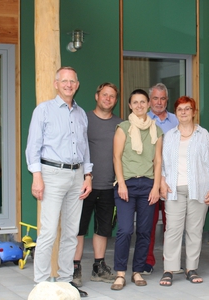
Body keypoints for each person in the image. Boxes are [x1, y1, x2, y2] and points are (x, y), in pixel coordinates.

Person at [26, 66, 90, 297]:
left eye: (72, 81)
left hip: (77, 176)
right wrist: (37, 177)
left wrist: (88, 175)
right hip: (51, 175)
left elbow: (85, 148)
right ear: (56, 84)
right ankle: (41, 283)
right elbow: (33, 147)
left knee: (71, 232)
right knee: (49, 231)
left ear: (77, 84)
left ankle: (65, 282)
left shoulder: (81, 114)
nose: (68, 85)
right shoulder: (43, 110)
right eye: (64, 81)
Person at [159, 96, 209, 286]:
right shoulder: (169, 136)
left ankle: (191, 268)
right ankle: (169, 269)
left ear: (194, 112)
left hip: (199, 189)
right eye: (180, 109)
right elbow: (161, 163)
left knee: (194, 230)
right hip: (173, 189)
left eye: (187, 109)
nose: (184, 112)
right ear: (175, 113)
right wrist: (161, 181)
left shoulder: (204, 135)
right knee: (173, 230)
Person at [111, 89, 163, 291]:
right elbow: (116, 157)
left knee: (144, 231)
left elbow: (158, 160)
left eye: (143, 102)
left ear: (148, 104)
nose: (140, 105)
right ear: (130, 106)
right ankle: (120, 273)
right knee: (124, 230)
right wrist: (121, 183)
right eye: (135, 102)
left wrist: (156, 187)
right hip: (127, 185)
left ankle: (138, 271)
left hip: (148, 186)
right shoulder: (123, 128)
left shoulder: (156, 130)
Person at [72, 82, 122, 287]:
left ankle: (99, 268)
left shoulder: (120, 124)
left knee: (103, 229)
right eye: (104, 95)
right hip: (84, 184)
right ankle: (74, 269)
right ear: (96, 96)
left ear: (116, 101)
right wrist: (86, 176)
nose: (108, 99)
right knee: (79, 229)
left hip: (110, 186)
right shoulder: (84, 119)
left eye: (112, 96)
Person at [142, 83, 179, 275]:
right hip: (150, 178)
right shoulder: (143, 120)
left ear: (167, 100)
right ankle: (147, 261)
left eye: (162, 98)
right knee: (149, 222)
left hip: (173, 180)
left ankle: (170, 261)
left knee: (172, 224)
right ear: (149, 101)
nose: (159, 102)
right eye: (155, 98)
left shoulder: (176, 119)